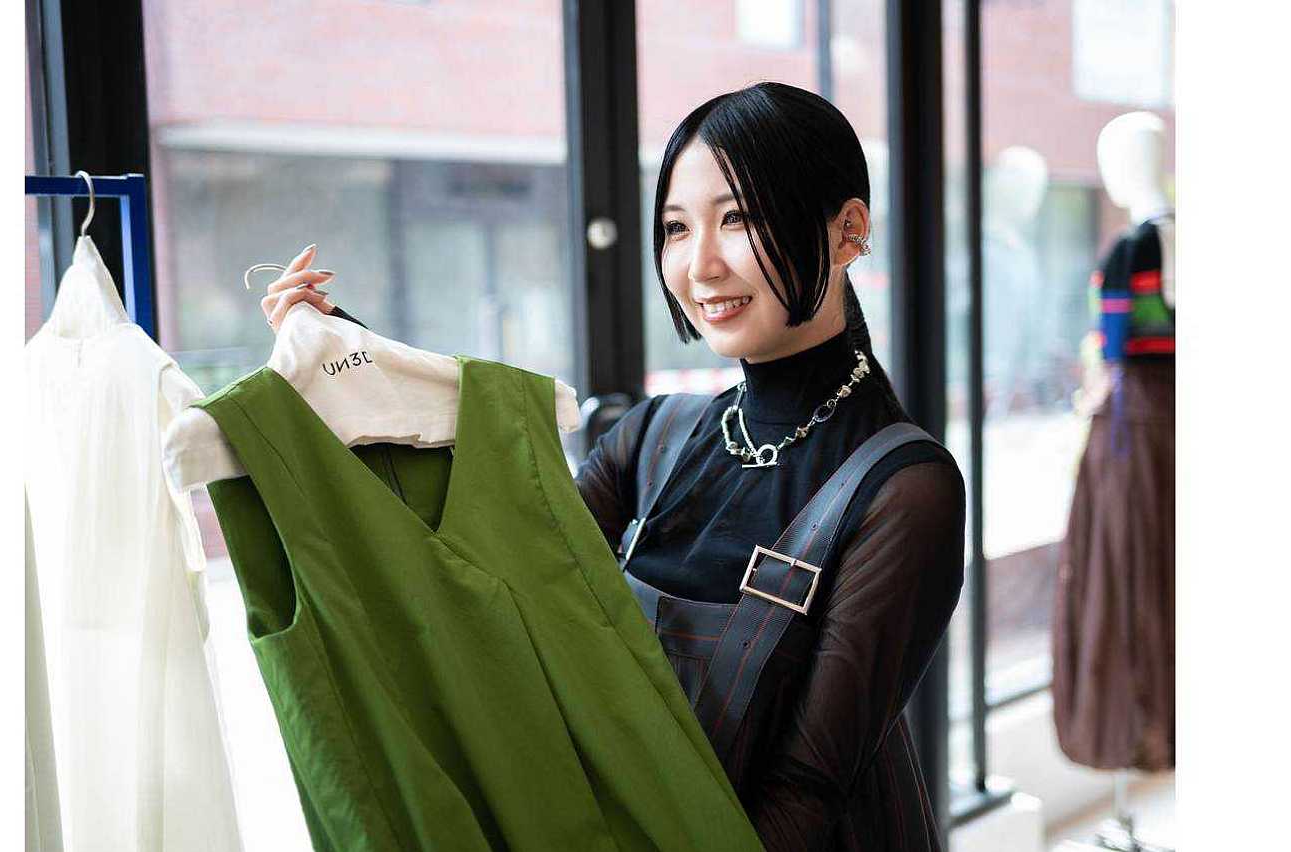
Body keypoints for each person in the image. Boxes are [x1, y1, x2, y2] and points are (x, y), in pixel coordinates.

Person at [258, 81, 965, 851]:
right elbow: (497, 586)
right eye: (676, 228)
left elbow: (805, 793)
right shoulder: (654, 438)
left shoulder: (905, 490)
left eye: (739, 218)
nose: (700, 265)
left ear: (849, 231)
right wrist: (346, 359)